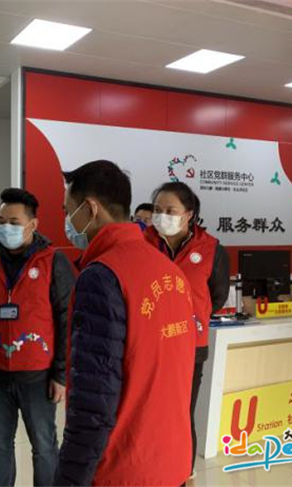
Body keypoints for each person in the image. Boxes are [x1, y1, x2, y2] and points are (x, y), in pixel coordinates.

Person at [55, 160, 196, 487]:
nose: (68, 221)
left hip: (126, 468)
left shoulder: (102, 276)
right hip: (172, 459)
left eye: (68, 211)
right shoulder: (170, 271)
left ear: (91, 209)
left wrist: (68, 479)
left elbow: (93, 402)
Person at [0, 188, 75, 487]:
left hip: (38, 375)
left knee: (44, 446)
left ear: (33, 225)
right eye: (1, 221)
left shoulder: (53, 262)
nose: (5, 228)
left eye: (14, 222)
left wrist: (61, 374)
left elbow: (67, 320)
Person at [144, 181, 230, 479]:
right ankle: (151, 470)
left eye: (170, 211)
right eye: (157, 209)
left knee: (181, 413)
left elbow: (216, 297)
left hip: (190, 346)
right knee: (149, 413)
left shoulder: (211, 249)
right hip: (150, 343)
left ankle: (183, 472)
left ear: (189, 214)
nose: (162, 216)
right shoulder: (142, 243)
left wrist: (190, 317)